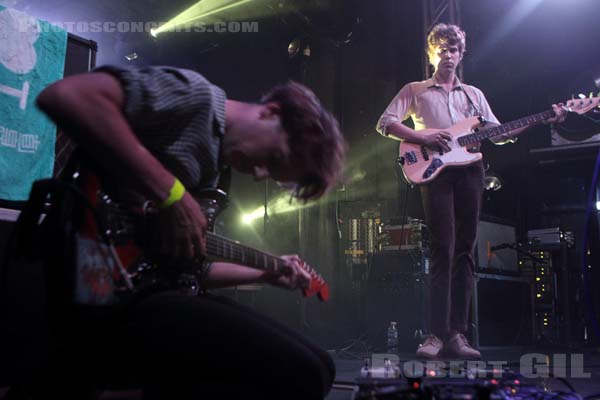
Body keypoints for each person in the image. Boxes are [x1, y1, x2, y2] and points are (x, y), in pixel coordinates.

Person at [31, 65, 346, 399]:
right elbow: (66, 96)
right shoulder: (196, 99)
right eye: (271, 157)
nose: (258, 173)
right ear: (270, 112)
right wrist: (171, 194)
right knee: (303, 374)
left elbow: (189, 267)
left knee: (322, 366)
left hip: (148, 293)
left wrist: (266, 273)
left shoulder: (214, 174)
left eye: (271, 172)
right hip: (103, 293)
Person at [376, 23, 565, 359]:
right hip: (434, 172)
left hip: (470, 174)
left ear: (461, 55)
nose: (448, 55)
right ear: (432, 53)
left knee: (465, 251)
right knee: (442, 249)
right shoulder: (416, 89)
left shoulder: (473, 95)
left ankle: (458, 335)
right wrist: (425, 137)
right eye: (442, 50)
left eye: (454, 50)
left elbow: (498, 132)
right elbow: (386, 122)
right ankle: (434, 334)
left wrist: (544, 118)